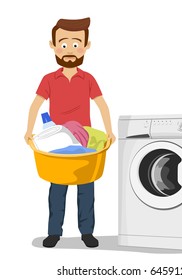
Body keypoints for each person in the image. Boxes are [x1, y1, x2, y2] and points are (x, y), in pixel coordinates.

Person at [24, 17, 116, 248]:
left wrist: (109, 132)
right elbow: (35, 104)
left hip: (86, 141)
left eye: (76, 44)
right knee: (57, 190)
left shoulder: (88, 79)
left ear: (86, 46)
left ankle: (87, 233)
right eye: (63, 44)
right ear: (53, 45)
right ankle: (54, 232)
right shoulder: (49, 79)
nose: (69, 51)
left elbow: (102, 105)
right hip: (57, 142)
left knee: (86, 189)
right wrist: (28, 131)